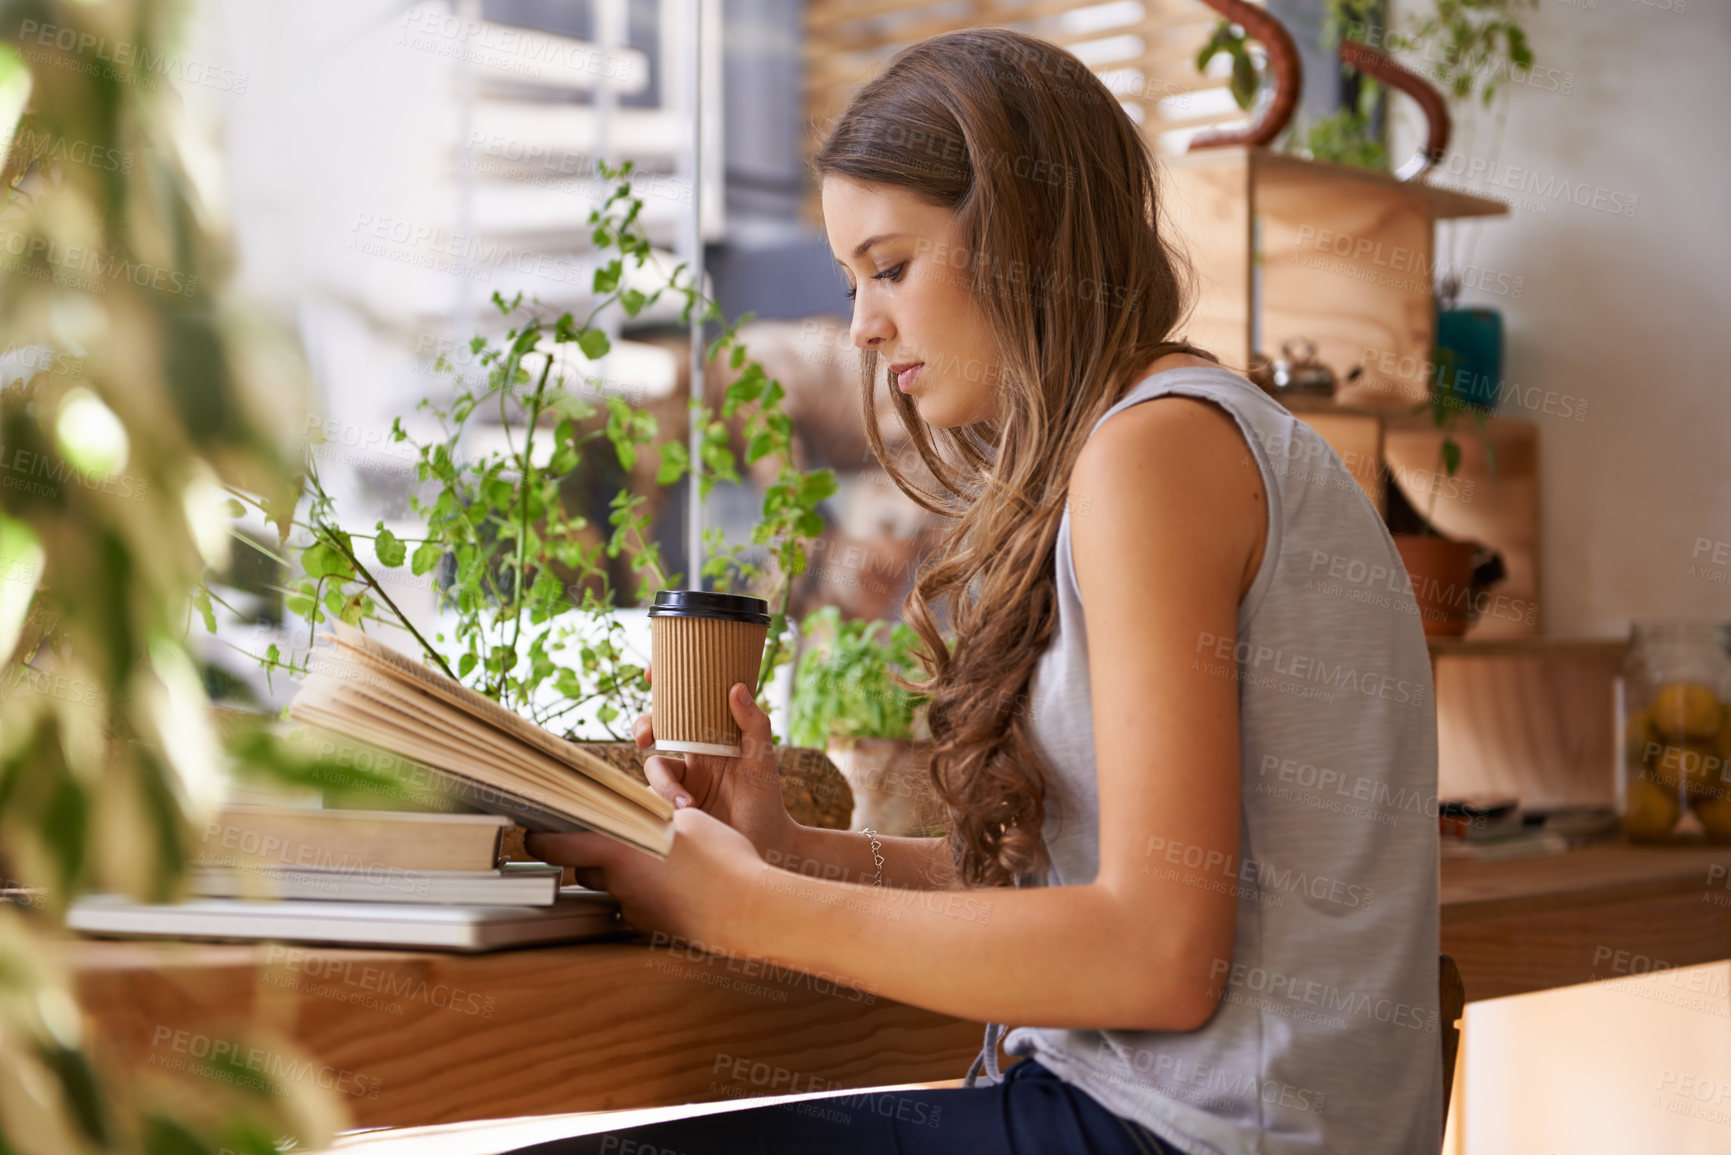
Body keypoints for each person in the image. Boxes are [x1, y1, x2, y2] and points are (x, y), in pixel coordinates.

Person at [516, 26, 1442, 1155]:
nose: (862, 326)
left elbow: (1154, 955)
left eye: (892, 267)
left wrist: (745, 908)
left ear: (1032, 235)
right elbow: (1089, 892)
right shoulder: (1169, 435)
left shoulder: (1159, 455)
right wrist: (793, 852)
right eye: (853, 280)